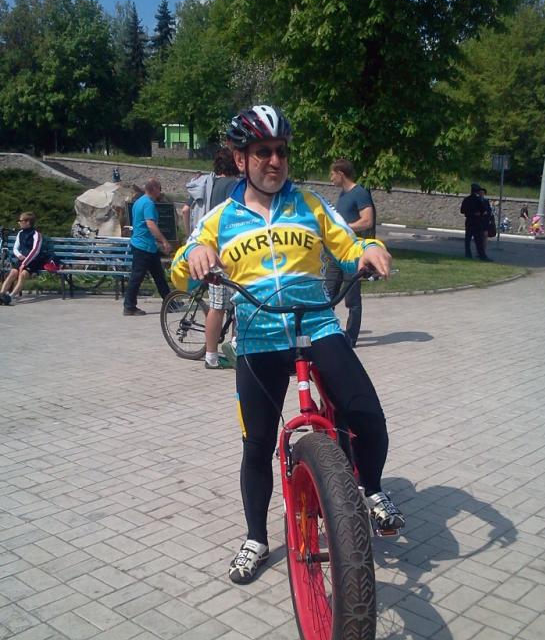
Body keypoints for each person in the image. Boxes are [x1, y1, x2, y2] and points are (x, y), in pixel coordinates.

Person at [171, 105, 405, 585]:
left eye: (281, 151)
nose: (275, 160)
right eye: (263, 152)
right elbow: (179, 266)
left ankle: (372, 488)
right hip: (258, 337)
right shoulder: (220, 218)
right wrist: (196, 253)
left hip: (316, 324)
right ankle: (256, 538)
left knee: (367, 415)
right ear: (241, 159)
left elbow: (348, 245)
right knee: (256, 445)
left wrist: (371, 249)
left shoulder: (311, 204)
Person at [196, 148, 240, 369]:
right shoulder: (234, 185)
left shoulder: (212, 185)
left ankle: (213, 355)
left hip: (213, 252)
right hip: (227, 257)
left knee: (219, 306)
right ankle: (225, 353)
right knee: (233, 304)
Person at [326, 159, 377, 347]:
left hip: (353, 254)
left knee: (352, 298)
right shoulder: (343, 194)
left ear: (341, 173)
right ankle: (326, 333)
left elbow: (367, 220)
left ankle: (351, 338)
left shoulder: (360, 193)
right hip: (337, 253)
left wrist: (346, 228)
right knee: (328, 294)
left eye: (332, 174)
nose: (330, 178)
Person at [123, 177, 172, 316]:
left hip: (146, 246)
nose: (160, 192)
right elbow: (150, 224)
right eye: (160, 188)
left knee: (159, 276)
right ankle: (129, 306)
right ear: (154, 189)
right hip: (143, 246)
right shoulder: (148, 203)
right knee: (137, 276)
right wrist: (164, 241)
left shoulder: (139, 201)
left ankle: (170, 302)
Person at [0, 212, 45, 305]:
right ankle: (2, 294)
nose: (19, 222)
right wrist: (19, 255)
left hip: (33, 261)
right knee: (13, 273)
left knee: (23, 275)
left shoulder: (37, 234)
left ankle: (10, 297)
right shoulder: (20, 233)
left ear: (28, 222)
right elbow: (15, 248)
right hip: (22, 259)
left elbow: (35, 251)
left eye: (20, 221)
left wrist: (24, 263)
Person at [460, 183, 490, 261]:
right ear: (477, 191)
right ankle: (482, 256)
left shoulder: (466, 199)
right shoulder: (478, 200)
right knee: (478, 240)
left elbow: (462, 210)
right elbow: (483, 210)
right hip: (477, 221)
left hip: (469, 221)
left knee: (468, 239)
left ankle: (468, 254)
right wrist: (477, 213)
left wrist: (470, 213)